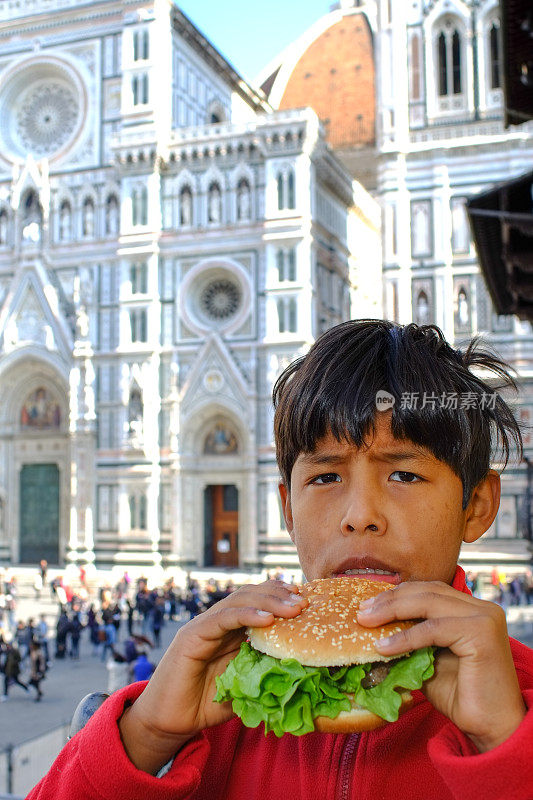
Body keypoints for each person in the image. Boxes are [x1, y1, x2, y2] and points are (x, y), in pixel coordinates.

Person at [25, 320, 533, 798]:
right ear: (287, 507)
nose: (360, 516)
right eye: (326, 477)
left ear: (478, 505)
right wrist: (145, 735)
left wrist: (507, 749)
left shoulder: (517, 698)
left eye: (404, 475)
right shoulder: (221, 706)